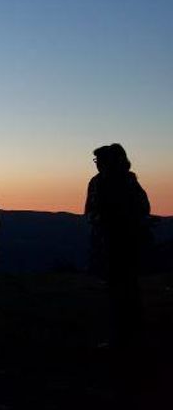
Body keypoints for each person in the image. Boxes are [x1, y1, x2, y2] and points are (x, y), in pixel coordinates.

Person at [85, 144, 150, 349]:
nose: (97, 164)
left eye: (100, 160)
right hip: (114, 242)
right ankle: (127, 334)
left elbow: (142, 208)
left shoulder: (121, 182)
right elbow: (90, 211)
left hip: (122, 243)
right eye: (96, 161)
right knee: (121, 288)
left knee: (123, 288)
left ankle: (126, 336)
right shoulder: (106, 182)